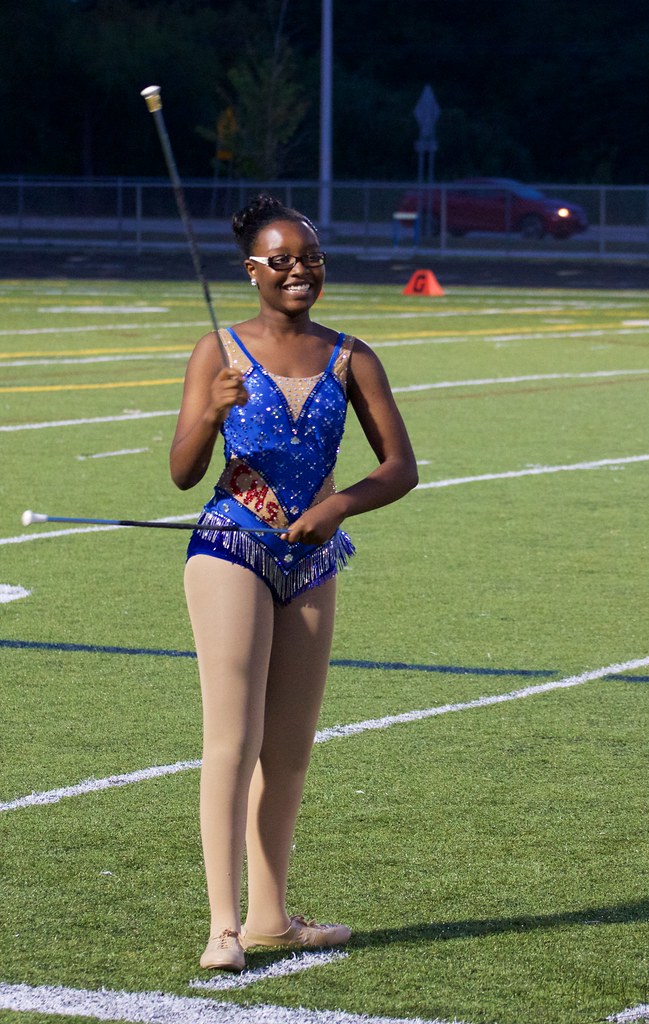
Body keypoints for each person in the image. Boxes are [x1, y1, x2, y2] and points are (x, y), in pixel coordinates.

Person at [170, 193, 418, 971]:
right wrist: (210, 413)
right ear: (252, 271)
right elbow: (182, 473)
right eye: (280, 261)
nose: (298, 272)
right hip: (231, 546)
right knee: (233, 741)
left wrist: (338, 507)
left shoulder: (350, 355)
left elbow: (399, 469)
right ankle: (222, 926)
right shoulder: (218, 350)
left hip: (311, 558)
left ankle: (272, 916)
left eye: (309, 259)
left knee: (290, 748)